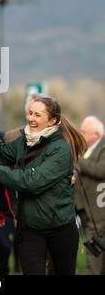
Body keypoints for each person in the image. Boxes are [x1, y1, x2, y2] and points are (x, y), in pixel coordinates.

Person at [0, 95, 87, 275]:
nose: (30, 118)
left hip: (60, 230)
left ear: (52, 121)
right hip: (29, 229)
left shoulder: (60, 150)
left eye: (37, 115)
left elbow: (31, 182)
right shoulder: (24, 142)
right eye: (30, 113)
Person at [74, 116, 105, 275]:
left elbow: (100, 170)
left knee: (93, 256)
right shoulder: (85, 150)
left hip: (98, 212)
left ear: (96, 135)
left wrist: (78, 161)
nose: (81, 134)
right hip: (84, 210)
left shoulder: (102, 148)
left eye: (84, 132)